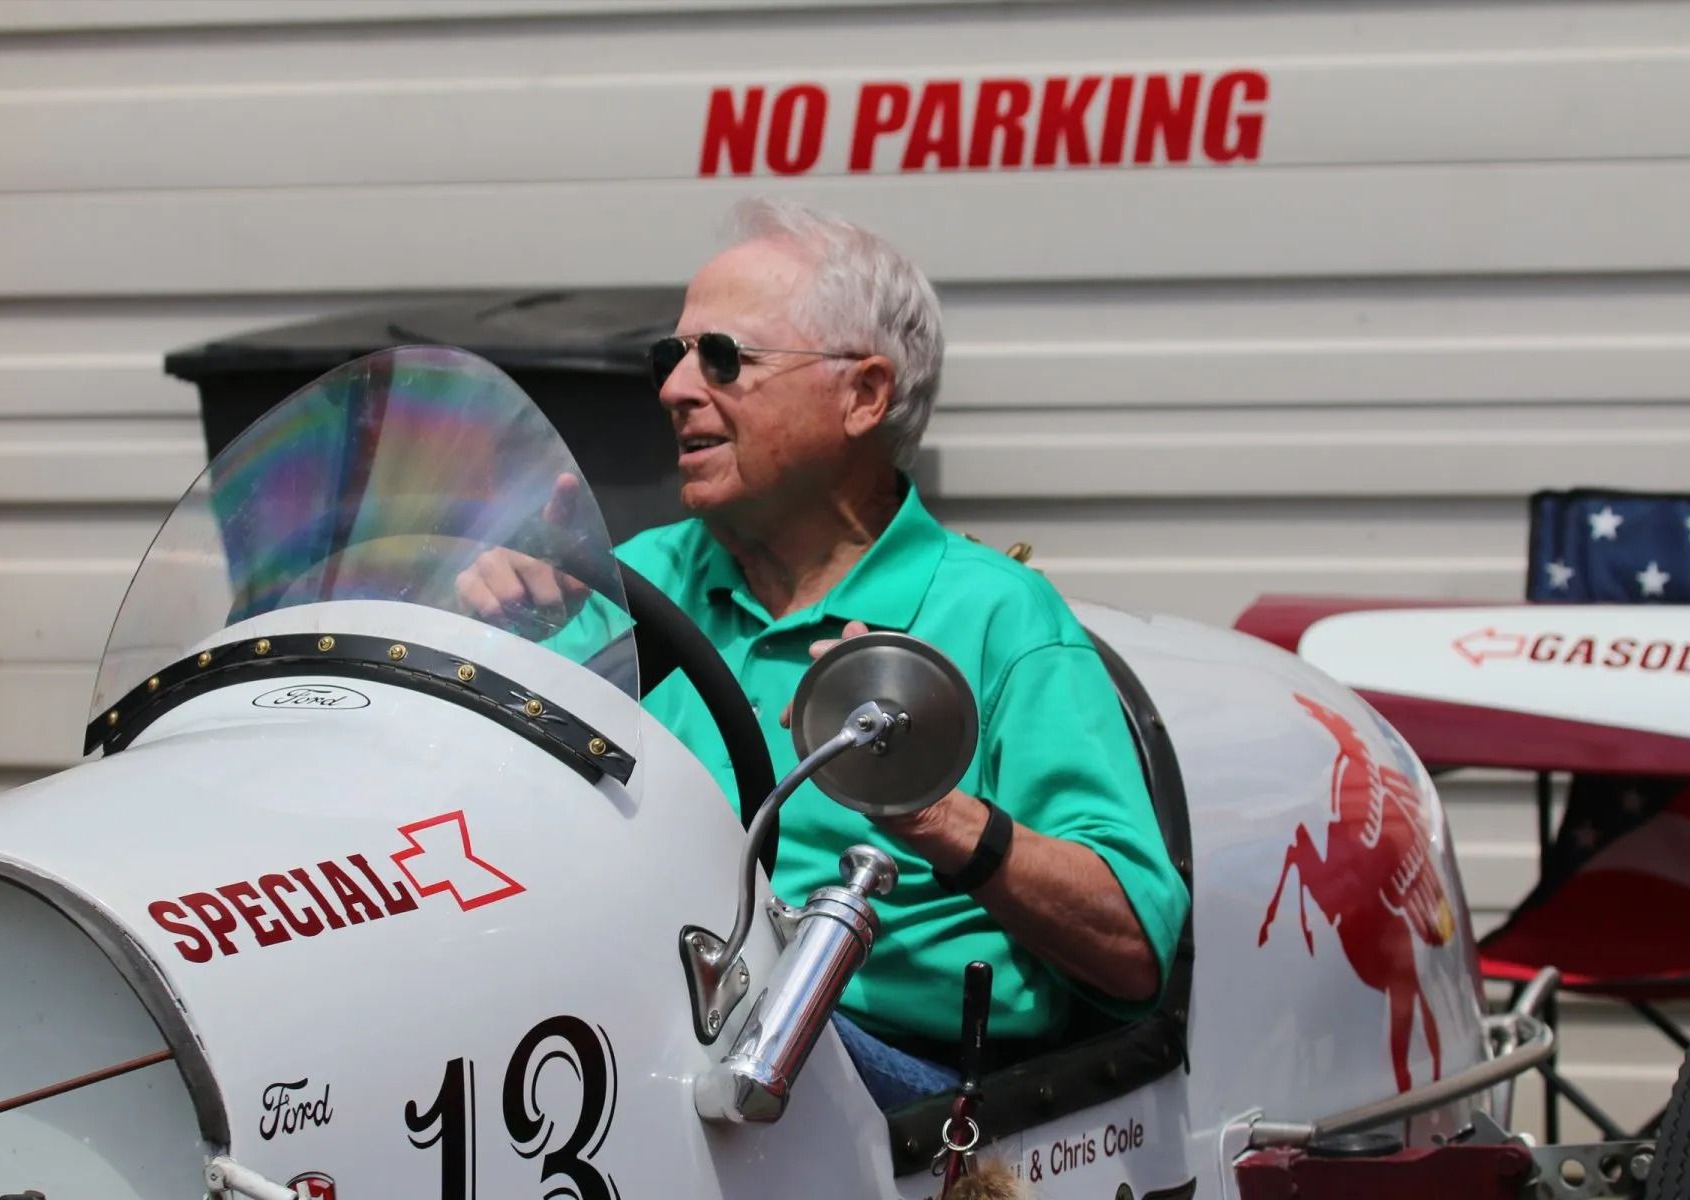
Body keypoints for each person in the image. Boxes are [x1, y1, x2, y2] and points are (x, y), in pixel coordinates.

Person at [457, 199, 1189, 1109]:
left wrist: (933, 812)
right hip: (627, 1028)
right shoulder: (627, 582)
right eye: (669, 357)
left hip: (880, 1071)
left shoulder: (996, 613)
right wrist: (486, 638)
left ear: (865, 396)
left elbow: (1135, 950)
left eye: (722, 357)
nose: (675, 388)